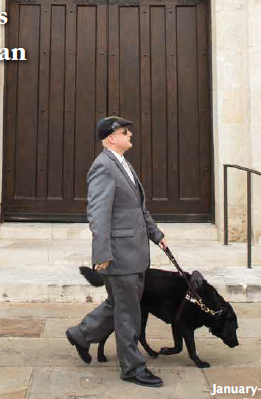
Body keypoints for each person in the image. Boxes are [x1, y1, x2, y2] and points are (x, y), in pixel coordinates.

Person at [66, 116, 168, 388]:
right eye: (125, 132)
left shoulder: (122, 164)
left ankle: (81, 334)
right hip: (120, 254)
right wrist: (101, 254)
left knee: (118, 305)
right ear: (112, 138)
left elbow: (137, 207)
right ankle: (132, 368)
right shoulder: (103, 167)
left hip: (134, 252)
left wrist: (156, 234)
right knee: (128, 314)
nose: (130, 135)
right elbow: (97, 214)